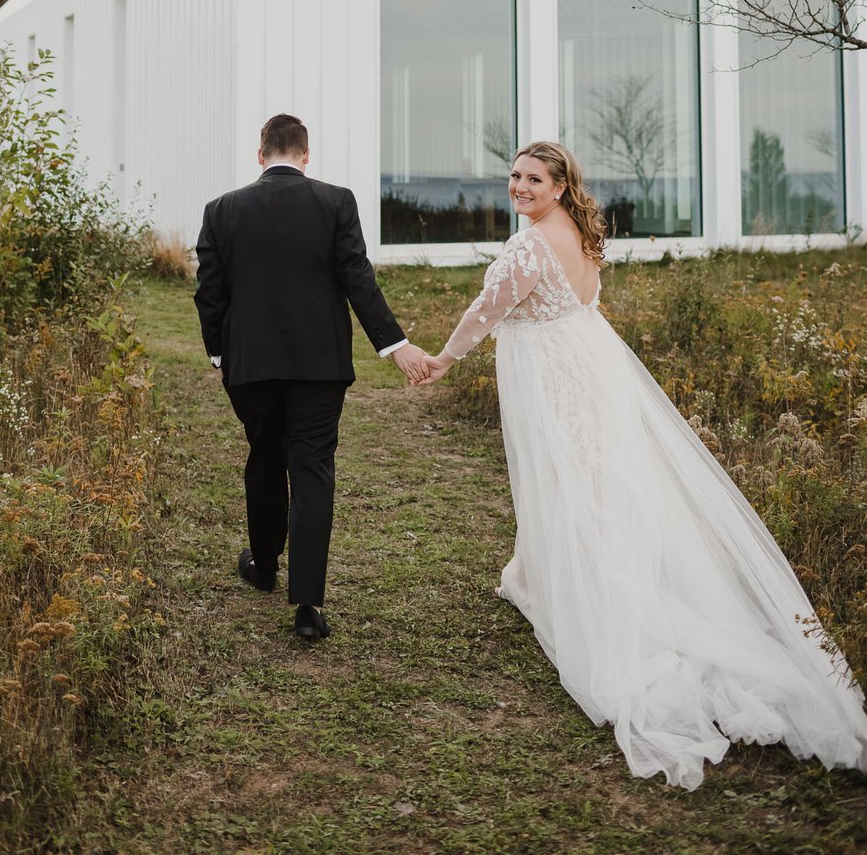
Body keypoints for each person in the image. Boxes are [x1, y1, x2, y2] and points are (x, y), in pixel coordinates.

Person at [422, 140, 867, 789]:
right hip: (588, 365)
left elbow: (486, 312)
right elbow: (583, 304)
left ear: (559, 184)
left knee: (572, 486)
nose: (518, 185)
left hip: (555, 377)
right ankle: (540, 572)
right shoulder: (578, 229)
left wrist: (442, 359)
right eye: (514, 175)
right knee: (599, 485)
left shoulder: (528, 245)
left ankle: (594, 596)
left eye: (532, 178)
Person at [195, 113, 430, 641]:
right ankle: (308, 606)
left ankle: (263, 566)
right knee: (313, 469)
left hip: (249, 365)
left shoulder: (221, 210)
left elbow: (210, 292)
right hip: (319, 366)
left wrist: (219, 353)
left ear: (260, 155)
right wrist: (394, 345)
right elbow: (357, 278)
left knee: (265, 454)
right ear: (305, 155)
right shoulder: (336, 202)